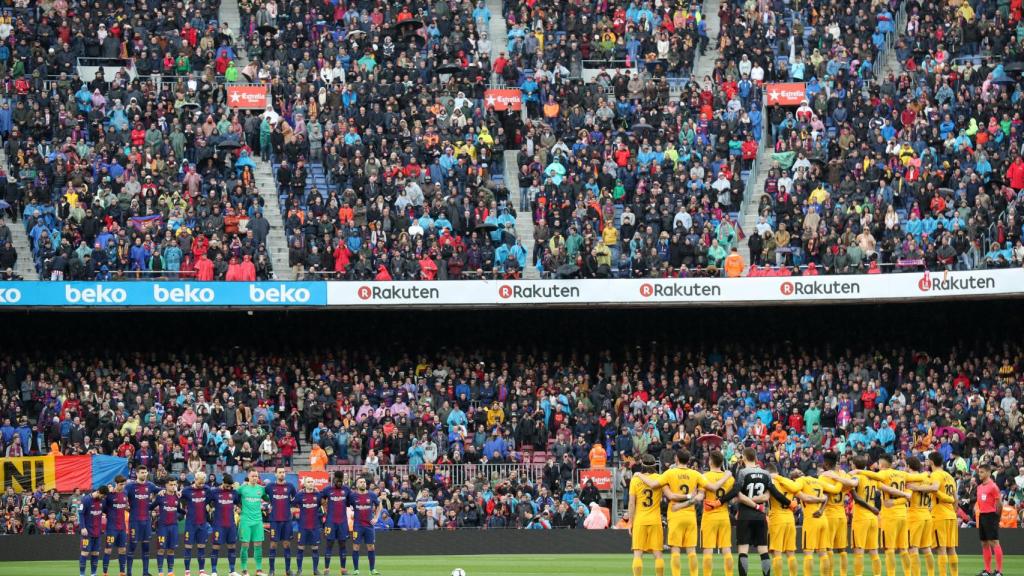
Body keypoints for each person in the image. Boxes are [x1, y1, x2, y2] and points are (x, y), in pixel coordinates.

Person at [717, 448, 793, 576]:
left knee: (743, 550)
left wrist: (719, 501)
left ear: (744, 458)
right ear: (756, 457)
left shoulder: (742, 472)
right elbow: (776, 493)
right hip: (760, 516)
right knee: (763, 551)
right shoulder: (766, 474)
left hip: (745, 515)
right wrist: (790, 503)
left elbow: (735, 491)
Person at [635, 449, 707, 576]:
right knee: (691, 551)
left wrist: (639, 475)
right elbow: (702, 494)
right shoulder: (696, 474)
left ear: (676, 459)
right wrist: (691, 497)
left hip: (675, 514)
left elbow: (654, 485)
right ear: (689, 460)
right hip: (690, 515)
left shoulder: (669, 473)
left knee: (675, 551)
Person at [627, 454, 665, 576]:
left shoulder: (635, 479)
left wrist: (630, 521)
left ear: (642, 465)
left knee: (638, 553)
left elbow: (632, 503)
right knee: (658, 554)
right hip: (655, 520)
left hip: (640, 520)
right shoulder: (660, 478)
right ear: (654, 465)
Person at [765, 464, 805, 576]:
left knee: (777, 553)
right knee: (791, 553)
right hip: (790, 519)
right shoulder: (788, 483)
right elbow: (801, 496)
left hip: (776, 519)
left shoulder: (770, 483)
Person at [701, 451, 736, 576]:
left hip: (709, 516)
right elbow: (733, 499)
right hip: (724, 515)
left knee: (708, 550)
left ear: (710, 461)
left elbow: (700, 496)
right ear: (722, 462)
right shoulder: (730, 478)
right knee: (727, 550)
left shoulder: (704, 477)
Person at [819, 453, 853, 576]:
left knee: (828, 548)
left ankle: (830, 574)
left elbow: (825, 496)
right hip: (841, 515)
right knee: (842, 549)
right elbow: (849, 487)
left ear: (827, 464)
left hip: (829, 515)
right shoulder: (843, 475)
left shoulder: (823, 477)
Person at [849, 456, 883, 576]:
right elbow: (879, 493)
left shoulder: (856, 477)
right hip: (873, 518)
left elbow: (857, 499)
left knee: (859, 551)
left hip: (861, 517)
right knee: (874, 551)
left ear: (853, 465)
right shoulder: (872, 478)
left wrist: (851, 490)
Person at [925, 452, 958, 576]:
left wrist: (917, 488)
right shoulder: (949, 476)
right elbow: (956, 499)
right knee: (951, 549)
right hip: (951, 515)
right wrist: (952, 511)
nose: (927, 463)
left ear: (932, 462)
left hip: (940, 515)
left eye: (928, 460)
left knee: (942, 549)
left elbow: (934, 488)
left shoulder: (935, 475)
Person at [905, 457, 939, 576]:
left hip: (914, 516)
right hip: (926, 514)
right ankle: (931, 574)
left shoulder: (911, 480)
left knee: (912, 548)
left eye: (905, 465)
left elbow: (908, 496)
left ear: (908, 466)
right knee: (926, 548)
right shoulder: (926, 478)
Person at [124, 467, 159, 576]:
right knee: (132, 546)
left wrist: (166, 491)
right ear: (137, 473)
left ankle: (145, 572)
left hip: (146, 521)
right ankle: (129, 572)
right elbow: (122, 494)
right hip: (134, 521)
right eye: (142, 472)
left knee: (146, 547)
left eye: (145, 472)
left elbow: (162, 490)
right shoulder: (130, 486)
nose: (144, 474)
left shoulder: (150, 485)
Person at [348, 476, 382, 575]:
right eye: (361, 482)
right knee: (356, 547)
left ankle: (372, 570)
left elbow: (379, 505)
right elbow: (346, 505)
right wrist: (351, 513)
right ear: (357, 484)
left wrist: (376, 517)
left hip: (369, 525)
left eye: (364, 482)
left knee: (371, 547)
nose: (363, 483)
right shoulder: (353, 496)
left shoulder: (371, 495)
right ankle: (356, 570)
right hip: (357, 525)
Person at [266, 467, 297, 576]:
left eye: (283, 472)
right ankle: (271, 570)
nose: (282, 474)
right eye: (279, 472)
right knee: (273, 545)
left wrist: (291, 509)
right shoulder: (270, 487)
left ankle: (288, 570)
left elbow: (295, 499)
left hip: (287, 520)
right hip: (274, 520)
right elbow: (262, 495)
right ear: (275, 474)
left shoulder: (290, 487)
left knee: (286, 544)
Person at [320, 471, 353, 574]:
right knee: (329, 544)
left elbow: (349, 502)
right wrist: (324, 506)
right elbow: (320, 498)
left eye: (341, 479)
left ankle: (343, 569)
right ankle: (326, 569)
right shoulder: (327, 489)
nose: (339, 481)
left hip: (342, 522)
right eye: (337, 479)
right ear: (334, 479)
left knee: (342, 544)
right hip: (330, 522)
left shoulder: (347, 489)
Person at [180, 471, 212, 576]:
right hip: (190, 524)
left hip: (202, 523)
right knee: (188, 547)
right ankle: (187, 572)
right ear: (195, 479)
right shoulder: (186, 490)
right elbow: (176, 498)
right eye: (200, 482)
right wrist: (182, 512)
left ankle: (201, 571)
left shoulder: (206, 489)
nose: (202, 485)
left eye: (203, 482)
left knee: (201, 547)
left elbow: (212, 498)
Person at [209, 475, 241, 576]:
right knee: (216, 547)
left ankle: (232, 571)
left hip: (231, 524)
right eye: (227, 486)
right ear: (222, 482)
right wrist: (209, 508)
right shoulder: (214, 492)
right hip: (218, 524)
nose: (229, 488)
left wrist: (239, 508)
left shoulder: (234, 492)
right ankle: (214, 571)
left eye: (230, 486)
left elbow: (238, 503)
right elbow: (207, 502)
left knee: (232, 546)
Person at [237, 469, 267, 576]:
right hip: (245, 521)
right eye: (253, 476)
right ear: (248, 476)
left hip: (258, 521)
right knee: (245, 545)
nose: (255, 478)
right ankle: (244, 569)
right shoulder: (242, 488)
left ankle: (258, 570)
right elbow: (233, 497)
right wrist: (237, 507)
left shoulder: (261, 489)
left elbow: (269, 498)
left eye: (256, 476)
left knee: (258, 545)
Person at [975, 462, 1003, 576]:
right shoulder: (979, 487)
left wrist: (997, 518)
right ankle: (987, 570)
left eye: (982, 472)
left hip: (991, 516)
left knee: (994, 542)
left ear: (988, 472)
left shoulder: (993, 486)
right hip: (982, 516)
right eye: (979, 472)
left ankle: (999, 571)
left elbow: (999, 504)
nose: (979, 474)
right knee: (984, 543)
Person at [293, 477, 324, 575]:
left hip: (315, 526)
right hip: (303, 526)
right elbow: (292, 505)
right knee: (300, 548)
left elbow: (324, 505)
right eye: (309, 482)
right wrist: (295, 514)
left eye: (312, 481)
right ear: (305, 484)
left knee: (315, 548)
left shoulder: (318, 495)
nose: (311, 483)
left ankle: (315, 570)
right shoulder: (299, 495)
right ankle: (299, 570)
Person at [103, 475, 130, 576]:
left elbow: (125, 505)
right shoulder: (109, 495)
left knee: (122, 550)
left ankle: (122, 572)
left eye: (123, 484)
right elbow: (103, 508)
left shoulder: (125, 493)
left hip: (122, 527)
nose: (122, 486)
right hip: (111, 527)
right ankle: (105, 573)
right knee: (108, 549)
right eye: (120, 484)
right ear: (115, 484)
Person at [152, 478, 181, 576]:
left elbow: (179, 510)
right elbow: (151, 507)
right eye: (171, 484)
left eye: (174, 484)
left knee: (171, 549)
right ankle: (160, 572)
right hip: (162, 527)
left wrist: (186, 513)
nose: (173, 486)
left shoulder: (177, 496)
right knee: (161, 549)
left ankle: (170, 572)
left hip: (173, 527)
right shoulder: (161, 496)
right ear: (166, 485)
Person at [80, 485, 110, 576]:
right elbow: (81, 514)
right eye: (102, 496)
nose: (103, 498)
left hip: (97, 532)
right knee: (84, 553)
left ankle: (93, 574)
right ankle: (82, 574)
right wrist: (82, 527)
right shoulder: (85, 500)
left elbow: (107, 511)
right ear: (98, 492)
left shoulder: (102, 501)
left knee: (95, 553)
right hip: (87, 532)